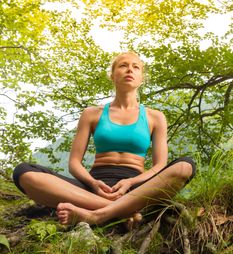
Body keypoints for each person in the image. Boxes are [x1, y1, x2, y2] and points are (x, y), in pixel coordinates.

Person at [13, 52, 196, 226]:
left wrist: (131, 183)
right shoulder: (92, 114)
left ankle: (97, 214)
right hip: (94, 185)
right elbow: (74, 163)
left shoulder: (155, 117)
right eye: (123, 65)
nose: (130, 70)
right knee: (25, 173)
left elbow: (159, 166)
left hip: (137, 187)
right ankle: (125, 211)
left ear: (142, 79)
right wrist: (93, 183)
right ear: (112, 75)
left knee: (184, 166)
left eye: (136, 67)